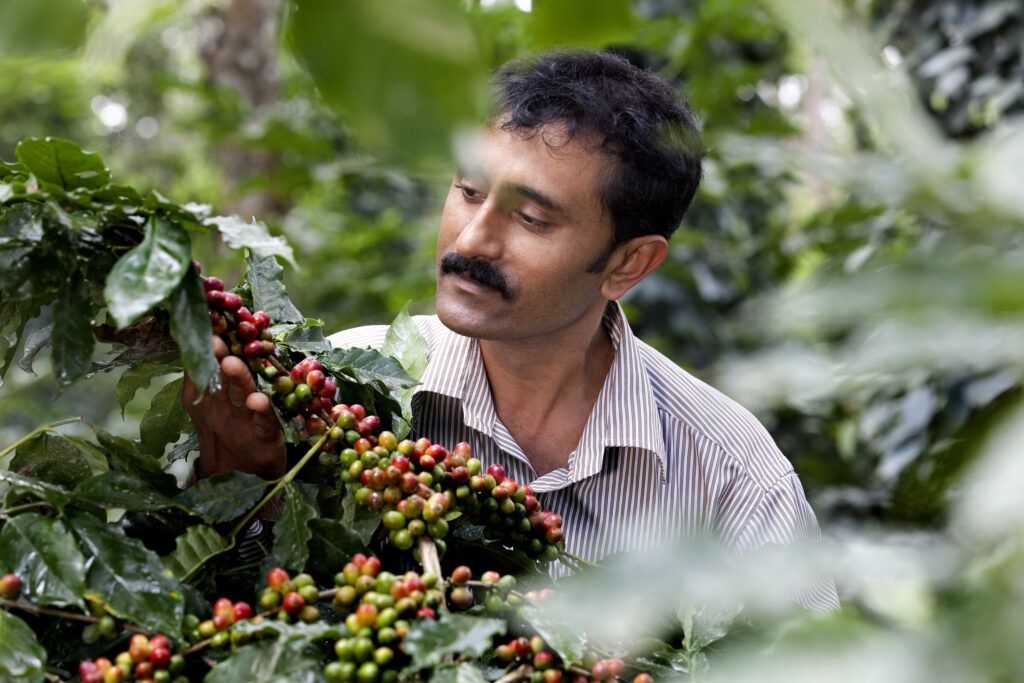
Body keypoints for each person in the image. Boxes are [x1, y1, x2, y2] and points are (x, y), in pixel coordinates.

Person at [184, 49, 839, 610]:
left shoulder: (729, 473)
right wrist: (239, 495)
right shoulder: (334, 389)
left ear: (627, 263)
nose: (471, 240)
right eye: (468, 191)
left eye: (530, 220)